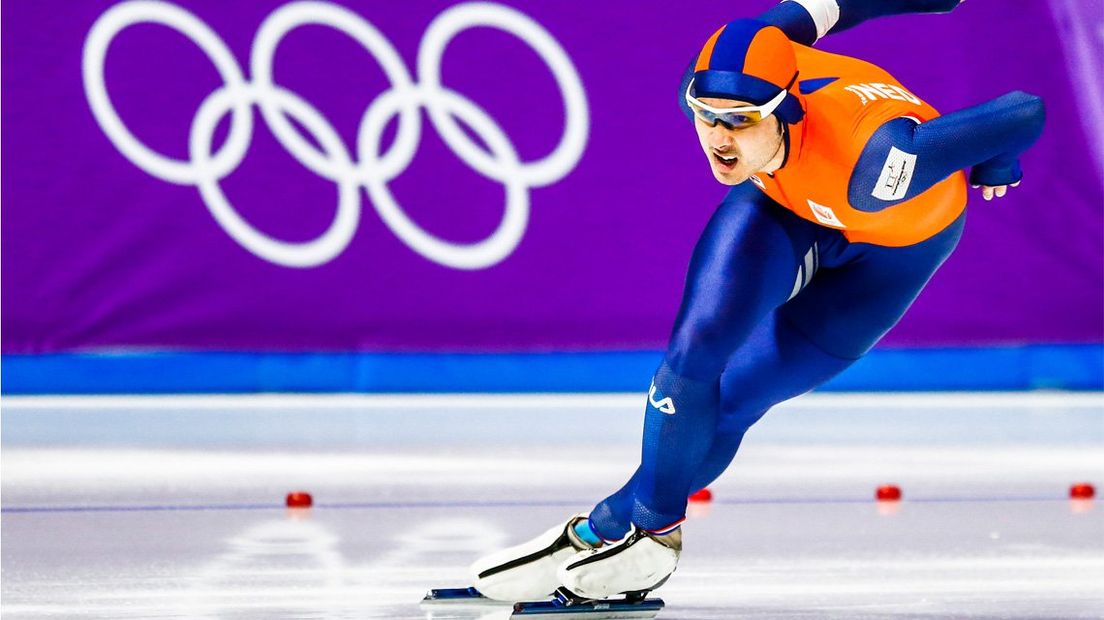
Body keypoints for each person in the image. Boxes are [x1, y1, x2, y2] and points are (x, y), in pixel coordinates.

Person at [470, 0, 1046, 602]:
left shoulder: (881, 164)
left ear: (787, 114)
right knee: (695, 353)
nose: (719, 138)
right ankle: (647, 536)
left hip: (889, 252)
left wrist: (995, 164)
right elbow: (836, 5)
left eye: (741, 120)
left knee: (736, 401)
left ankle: (607, 527)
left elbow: (1024, 111)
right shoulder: (749, 46)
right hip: (786, 203)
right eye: (706, 116)